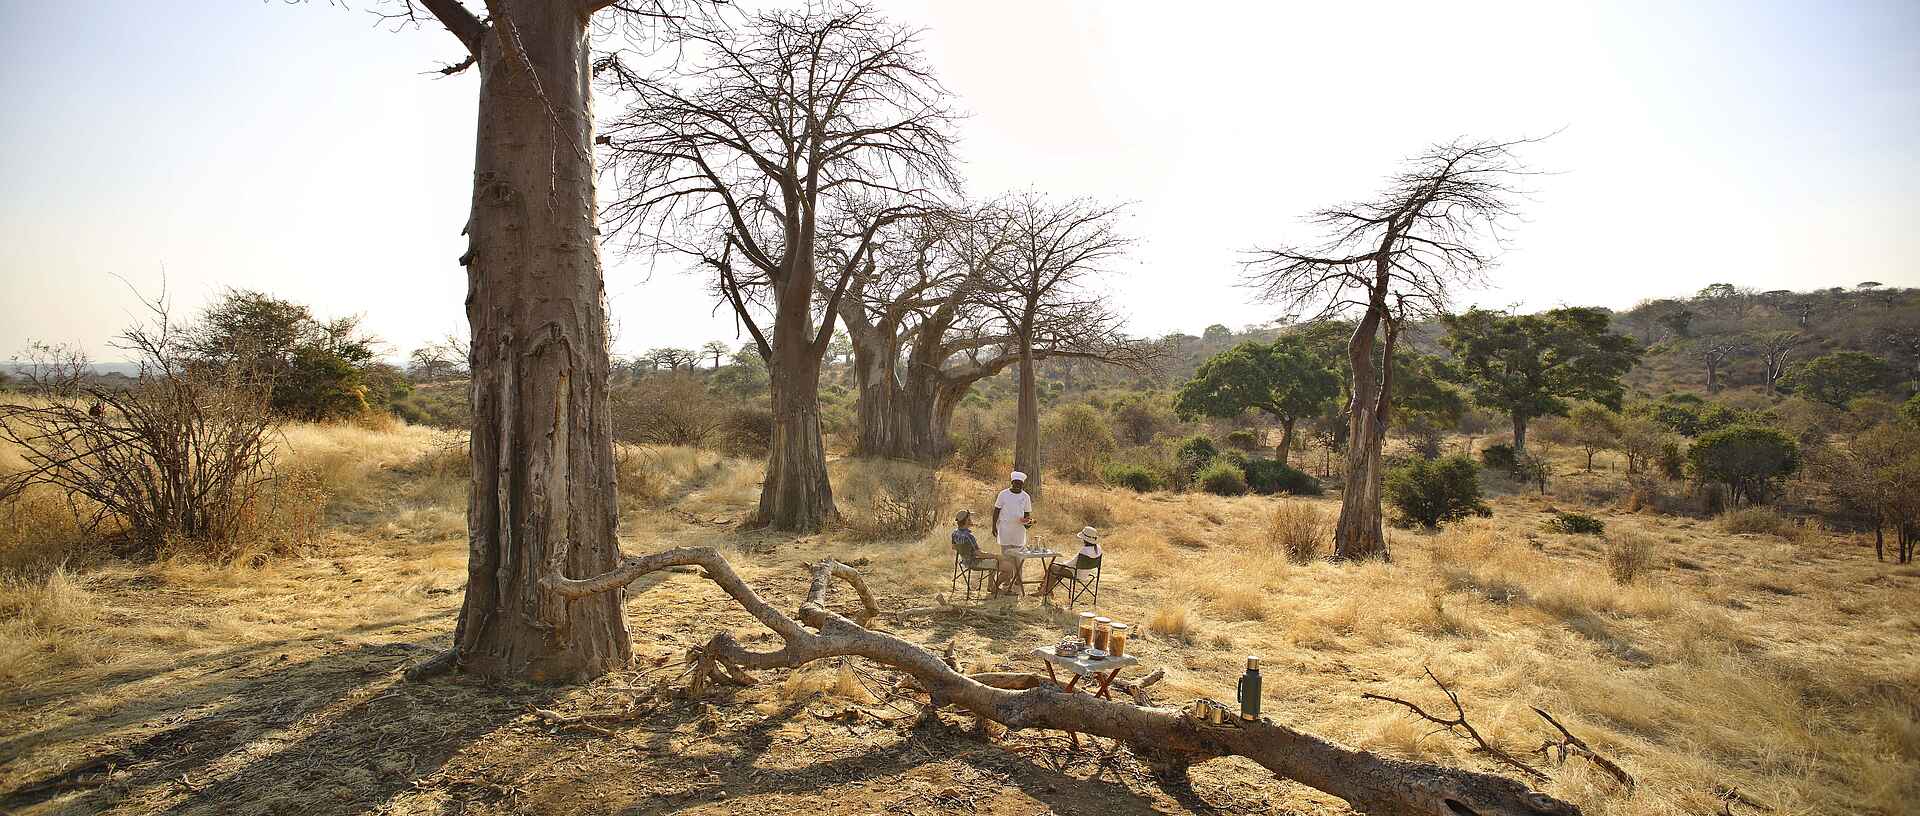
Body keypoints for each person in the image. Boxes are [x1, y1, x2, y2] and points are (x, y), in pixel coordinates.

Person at [990, 471, 1035, 595]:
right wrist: (994, 526)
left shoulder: (1025, 496)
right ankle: (1006, 582)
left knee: (1018, 559)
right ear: (1012, 483)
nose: (1017, 486)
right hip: (1005, 530)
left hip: (1019, 531)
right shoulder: (1003, 494)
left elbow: (1027, 515)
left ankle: (1017, 583)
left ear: (1022, 485)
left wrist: (1028, 523)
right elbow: (996, 511)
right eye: (1016, 484)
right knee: (1006, 558)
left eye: (1020, 484)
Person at [1041, 525, 1102, 597]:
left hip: (1076, 573)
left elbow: (1071, 563)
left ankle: (1043, 590)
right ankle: (1047, 590)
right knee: (1057, 570)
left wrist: (1062, 564)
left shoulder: (1084, 550)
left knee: (1052, 567)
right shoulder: (1098, 548)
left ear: (1084, 539)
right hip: (1086, 573)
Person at [950, 509, 997, 577]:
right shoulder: (969, 536)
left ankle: (991, 587)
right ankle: (990, 587)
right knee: (995, 562)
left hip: (963, 562)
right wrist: (995, 556)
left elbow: (953, 547)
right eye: (969, 519)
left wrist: (964, 550)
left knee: (992, 560)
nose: (971, 520)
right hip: (973, 563)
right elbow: (979, 554)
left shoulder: (954, 533)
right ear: (967, 521)